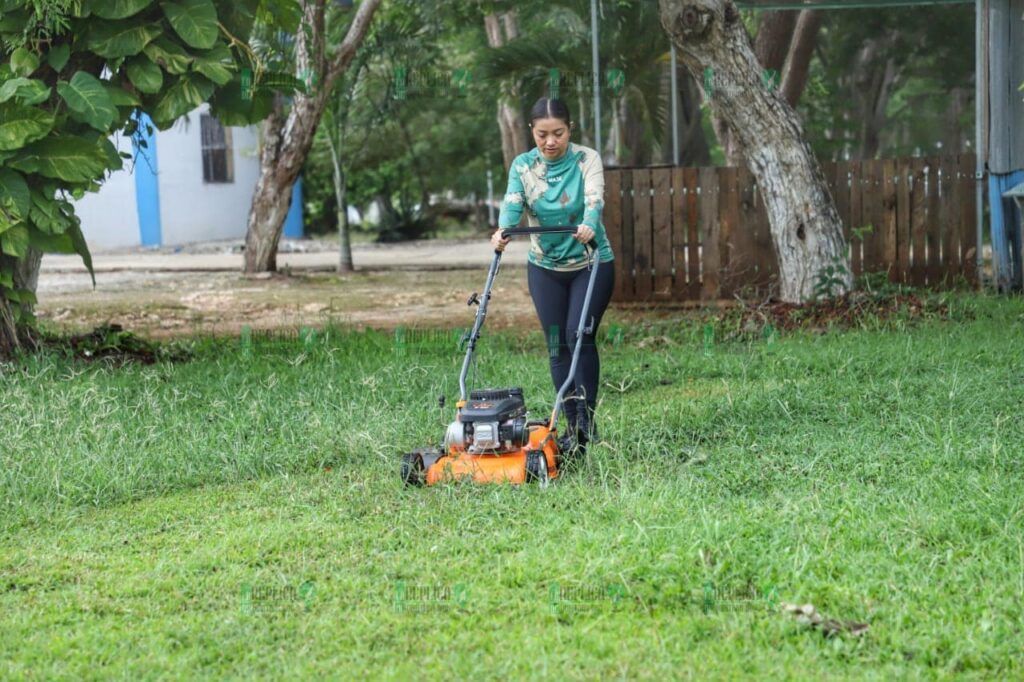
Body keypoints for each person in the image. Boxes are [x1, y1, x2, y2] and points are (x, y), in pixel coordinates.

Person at [492, 97, 615, 456]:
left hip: (591, 263)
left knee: (580, 334)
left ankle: (586, 418)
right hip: (545, 268)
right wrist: (503, 231)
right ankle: (570, 420)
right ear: (532, 131)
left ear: (569, 130)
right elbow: (513, 202)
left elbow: (595, 199)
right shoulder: (523, 165)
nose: (550, 141)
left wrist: (589, 225)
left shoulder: (585, 159)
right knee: (557, 343)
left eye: (558, 133)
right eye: (542, 134)